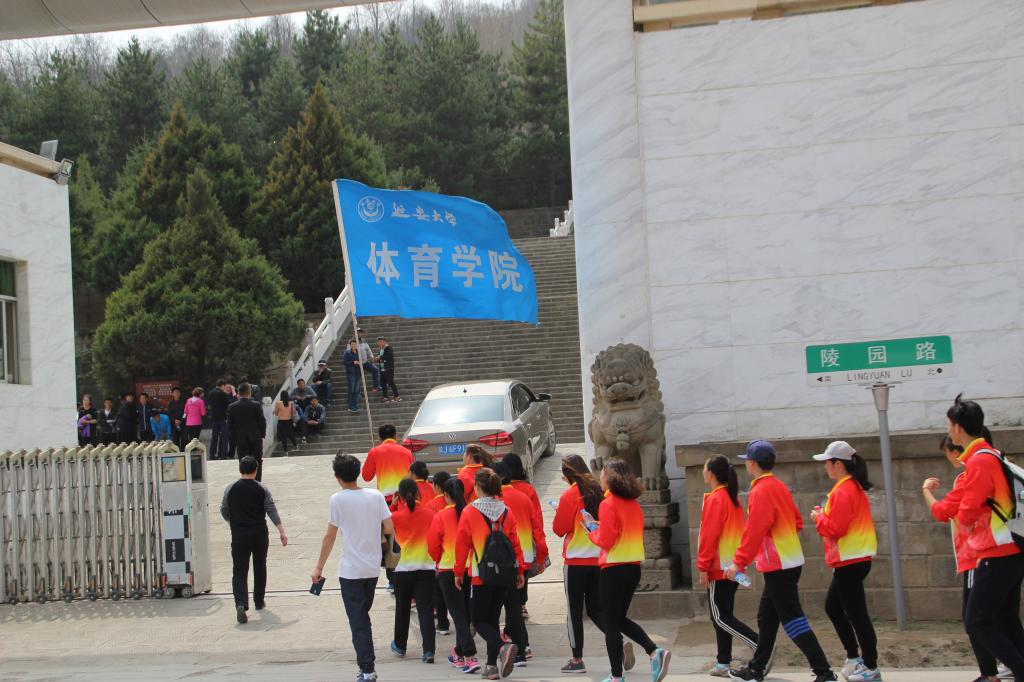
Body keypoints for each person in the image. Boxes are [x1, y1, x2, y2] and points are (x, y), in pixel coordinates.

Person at [725, 440, 836, 682]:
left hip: (778, 565)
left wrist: (739, 562)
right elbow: (797, 522)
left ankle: (824, 672)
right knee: (766, 617)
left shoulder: (760, 491)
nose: (746, 465)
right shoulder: (779, 486)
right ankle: (756, 669)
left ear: (753, 463)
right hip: (789, 560)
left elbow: (754, 531)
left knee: (792, 620)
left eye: (747, 461)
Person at [948, 395, 1024, 681]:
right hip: (1011, 548)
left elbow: (968, 510)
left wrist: (964, 518)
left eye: (949, 424)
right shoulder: (992, 455)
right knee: (1005, 619)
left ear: (958, 427)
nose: (949, 429)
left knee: (977, 621)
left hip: (997, 551)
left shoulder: (980, 461)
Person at [924, 432, 1007, 682]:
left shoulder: (968, 476)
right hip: (995, 552)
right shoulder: (997, 465)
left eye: (948, 452)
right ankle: (1007, 664)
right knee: (1001, 616)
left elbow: (944, 511)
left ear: (956, 451)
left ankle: (990, 672)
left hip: (977, 554)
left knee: (974, 619)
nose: (948, 457)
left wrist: (926, 490)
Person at [312, 454, 395, 682]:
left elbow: (330, 536)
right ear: (358, 472)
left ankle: (367, 669)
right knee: (362, 617)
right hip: (372, 569)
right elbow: (389, 527)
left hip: (350, 571)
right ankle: (366, 665)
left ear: (337, 476)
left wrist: (319, 567)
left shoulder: (337, 500)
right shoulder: (376, 496)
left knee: (358, 622)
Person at [588, 459, 671, 682]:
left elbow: (606, 540)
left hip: (613, 568)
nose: (600, 477)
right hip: (633, 568)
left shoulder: (607, 504)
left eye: (602, 473)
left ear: (610, 477)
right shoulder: (634, 504)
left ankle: (616, 676)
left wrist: (592, 532)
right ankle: (654, 651)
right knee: (618, 619)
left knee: (611, 624)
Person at [810, 442, 879, 682]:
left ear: (838, 464)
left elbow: (835, 528)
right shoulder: (850, 487)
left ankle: (870, 666)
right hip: (852, 559)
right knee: (834, 607)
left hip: (850, 560)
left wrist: (818, 518)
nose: (825, 467)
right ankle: (855, 658)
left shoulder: (844, 490)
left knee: (857, 615)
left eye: (827, 462)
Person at [454, 468, 525, 680]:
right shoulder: (506, 511)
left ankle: (503, 647)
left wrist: (458, 571)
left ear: (477, 487)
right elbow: (515, 543)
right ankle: (492, 666)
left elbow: (462, 544)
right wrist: (520, 569)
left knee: (478, 619)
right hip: (505, 575)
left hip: (481, 574)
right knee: (492, 619)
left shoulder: (469, 512)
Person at [697, 455, 757, 678]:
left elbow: (708, 537)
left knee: (720, 617)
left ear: (711, 473)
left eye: (704, 467)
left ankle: (759, 644)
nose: (703, 471)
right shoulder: (732, 499)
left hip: (719, 569)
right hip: (732, 568)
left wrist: (703, 567)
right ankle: (723, 662)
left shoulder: (716, 499)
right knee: (724, 617)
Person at [553, 454, 605, 674]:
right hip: (598, 559)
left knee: (574, 610)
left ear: (567, 474)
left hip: (575, 561)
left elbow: (559, 529)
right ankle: (617, 641)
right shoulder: (599, 491)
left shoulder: (570, 495)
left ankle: (577, 659)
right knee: (596, 609)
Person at [220, 456, 288, 624]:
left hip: (239, 535)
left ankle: (241, 603)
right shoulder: (261, 489)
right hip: (259, 534)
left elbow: (224, 510)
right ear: (256, 471)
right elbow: (271, 510)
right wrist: (281, 531)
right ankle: (259, 600)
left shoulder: (230, 488)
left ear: (240, 469)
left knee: (239, 571)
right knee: (260, 566)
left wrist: (232, 522)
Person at [493, 461, 545, 666]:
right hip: (524, 557)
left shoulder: (494, 503)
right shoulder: (524, 497)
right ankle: (521, 645)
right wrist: (541, 556)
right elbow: (537, 528)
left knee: (501, 608)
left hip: (501, 561)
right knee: (514, 605)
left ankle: (516, 646)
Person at [429, 477, 479, 673]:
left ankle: (469, 655)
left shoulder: (440, 516)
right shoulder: (472, 513)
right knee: (465, 613)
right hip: (470, 569)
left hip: (448, 570)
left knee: (458, 614)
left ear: (446, 495)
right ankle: (458, 652)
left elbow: (433, 546)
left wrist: (439, 559)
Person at [389, 478, 437, 663]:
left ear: (399, 496)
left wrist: (393, 506)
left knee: (402, 608)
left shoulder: (396, 517)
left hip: (403, 569)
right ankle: (429, 651)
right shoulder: (430, 514)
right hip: (426, 568)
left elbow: (384, 527)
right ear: (418, 493)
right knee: (425, 610)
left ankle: (400, 645)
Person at [503, 453, 544, 619]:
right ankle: (521, 605)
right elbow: (537, 520)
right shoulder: (528, 490)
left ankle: (510, 608)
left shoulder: (497, 492)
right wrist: (541, 548)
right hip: (525, 544)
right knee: (523, 576)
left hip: (504, 545)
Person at [362, 424, 415, 504]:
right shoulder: (407, 452)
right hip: (406, 498)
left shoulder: (374, 452)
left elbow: (366, 477)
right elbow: (414, 475)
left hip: (386, 500)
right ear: (395, 436)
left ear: (380, 438)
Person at [228, 383, 266, 480]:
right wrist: (262, 434)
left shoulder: (232, 407)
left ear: (238, 393)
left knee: (243, 461)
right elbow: (262, 422)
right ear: (249, 392)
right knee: (257, 460)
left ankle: (245, 480)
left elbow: (230, 426)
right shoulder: (256, 405)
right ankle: (257, 482)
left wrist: (234, 439)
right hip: (255, 438)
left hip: (240, 439)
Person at [207, 380, 231, 460]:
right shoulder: (223, 394)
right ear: (222, 385)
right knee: (224, 437)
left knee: (214, 437)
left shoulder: (210, 393)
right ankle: (223, 455)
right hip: (222, 418)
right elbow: (228, 404)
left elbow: (209, 405)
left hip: (214, 418)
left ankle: (212, 454)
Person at [273, 390, 298, 455]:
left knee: (283, 437)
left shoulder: (278, 403)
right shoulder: (291, 403)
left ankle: (285, 452)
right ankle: (296, 446)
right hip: (289, 421)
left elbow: (276, 413)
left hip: (281, 422)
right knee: (291, 435)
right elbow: (294, 412)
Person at [377, 336, 400, 402]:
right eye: (378, 342)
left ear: (385, 342)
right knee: (382, 383)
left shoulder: (388, 348)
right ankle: (385, 397)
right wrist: (377, 359)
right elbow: (381, 359)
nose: (380, 343)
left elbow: (388, 356)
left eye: (381, 341)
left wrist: (380, 357)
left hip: (389, 368)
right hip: (382, 368)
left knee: (390, 382)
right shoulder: (381, 350)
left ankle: (397, 396)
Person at [357, 328, 380, 392]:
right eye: (358, 332)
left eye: (360, 332)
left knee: (375, 370)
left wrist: (372, 357)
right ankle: (357, 392)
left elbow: (368, 350)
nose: (359, 333)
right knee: (357, 377)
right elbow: (349, 351)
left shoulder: (364, 341)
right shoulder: (351, 341)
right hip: (356, 364)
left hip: (365, 362)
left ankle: (376, 387)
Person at [343, 339, 363, 413]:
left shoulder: (359, 353)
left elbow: (362, 361)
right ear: (350, 345)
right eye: (352, 344)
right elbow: (344, 362)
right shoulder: (347, 353)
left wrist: (360, 363)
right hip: (351, 373)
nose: (354, 345)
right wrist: (353, 362)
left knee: (356, 391)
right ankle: (351, 406)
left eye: (355, 344)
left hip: (358, 373)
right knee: (351, 390)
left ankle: (355, 405)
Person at [167, 386, 187, 451]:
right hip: (174, 424)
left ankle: (183, 452)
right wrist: (175, 420)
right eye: (175, 392)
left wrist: (181, 420)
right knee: (176, 439)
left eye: (178, 392)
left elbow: (185, 413)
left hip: (183, 423)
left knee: (184, 438)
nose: (177, 394)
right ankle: (177, 452)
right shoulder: (170, 404)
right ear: (172, 394)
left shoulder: (184, 402)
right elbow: (169, 414)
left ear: (180, 393)